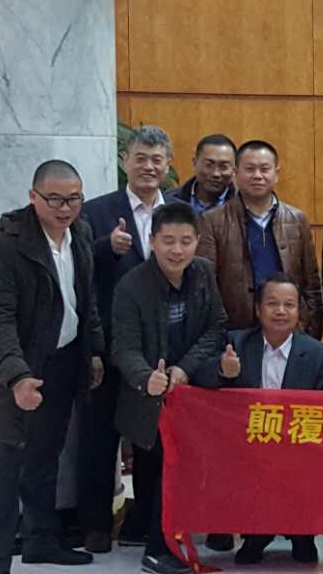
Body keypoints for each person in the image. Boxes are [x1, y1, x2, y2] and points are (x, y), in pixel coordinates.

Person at [0, 160, 105, 574]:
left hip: (63, 362)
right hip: (15, 371)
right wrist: (17, 376)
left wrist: (94, 352)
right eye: (55, 200)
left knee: (46, 456)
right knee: (5, 463)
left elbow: (86, 300)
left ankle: (40, 541)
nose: (65, 208)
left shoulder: (81, 233)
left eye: (74, 199)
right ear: (33, 197)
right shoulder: (7, 244)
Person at [110, 201, 230, 574]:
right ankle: (157, 550)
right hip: (147, 397)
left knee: (177, 470)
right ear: (152, 241)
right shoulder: (132, 285)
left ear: (197, 241)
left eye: (185, 241)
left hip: (191, 395)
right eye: (168, 241)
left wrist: (185, 369)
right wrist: (147, 377)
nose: (177, 250)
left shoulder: (204, 273)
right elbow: (123, 347)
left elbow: (216, 326)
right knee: (157, 469)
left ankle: (161, 538)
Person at [77, 124, 173, 552]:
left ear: (168, 165)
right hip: (109, 346)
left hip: (160, 351)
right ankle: (96, 526)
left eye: (157, 159)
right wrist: (104, 247)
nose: (148, 166)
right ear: (125, 161)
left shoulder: (180, 211)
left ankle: (144, 523)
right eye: (140, 158)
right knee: (99, 438)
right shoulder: (97, 211)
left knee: (154, 440)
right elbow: (76, 273)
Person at [210, 272, 323, 565]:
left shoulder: (320, 357)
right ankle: (257, 533)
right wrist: (222, 369)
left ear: (299, 310)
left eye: (289, 305)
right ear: (258, 309)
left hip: (297, 445)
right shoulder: (235, 344)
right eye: (272, 304)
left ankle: (302, 533)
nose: (281, 311)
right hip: (248, 444)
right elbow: (204, 380)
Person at [197, 140, 323, 335]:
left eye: (264, 169)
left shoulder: (296, 219)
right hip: (236, 333)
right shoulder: (212, 221)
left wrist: (311, 331)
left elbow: (311, 284)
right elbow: (206, 287)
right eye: (250, 169)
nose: (257, 176)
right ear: (235, 173)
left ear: (276, 174)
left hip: (290, 332)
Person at [168, 134, 237, 215]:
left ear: (234, 169)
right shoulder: (169, 200)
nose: (216, 174)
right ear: (194, 163)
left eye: (223, 167)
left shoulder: (243, 205)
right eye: (208, 165)